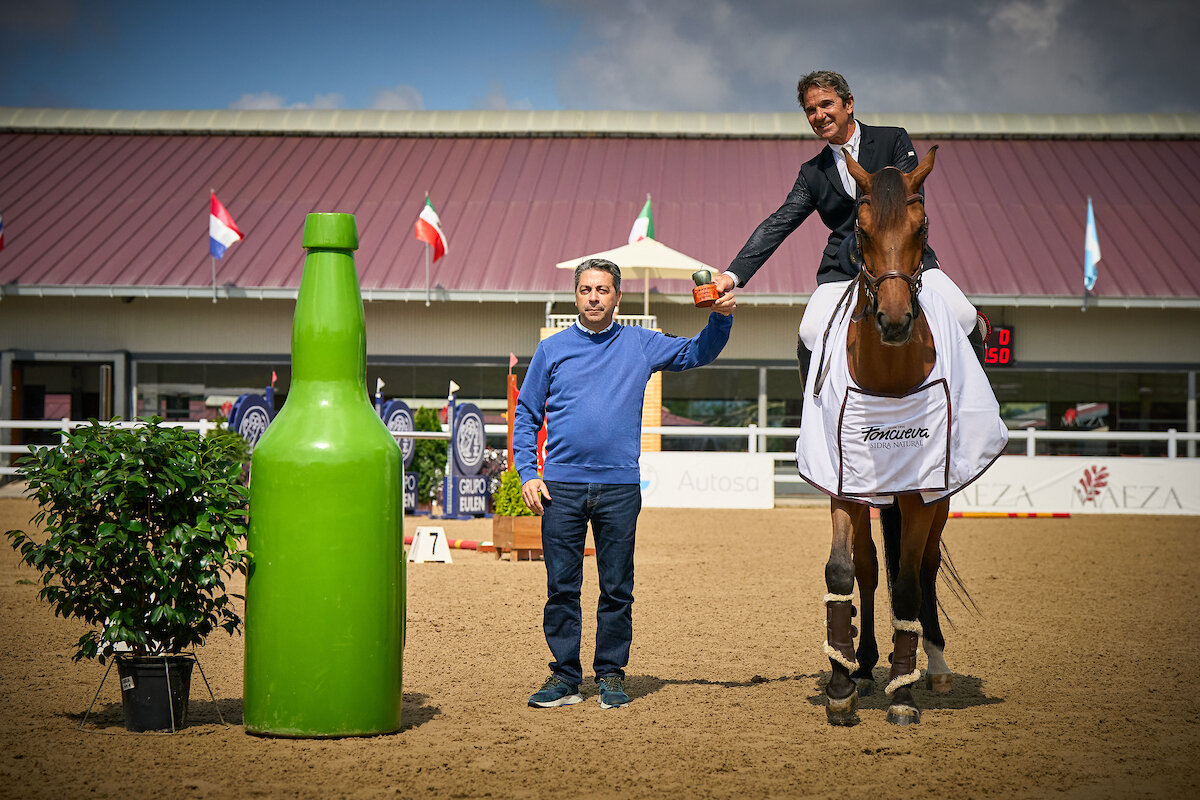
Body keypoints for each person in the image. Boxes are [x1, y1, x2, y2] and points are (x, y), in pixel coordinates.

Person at [514, 257, 736, 709]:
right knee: (562, 587)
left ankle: (611, 675)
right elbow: (526, 413)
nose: (593, 297)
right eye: (585, 290)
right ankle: (564, 677)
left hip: (619, 488)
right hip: (561, 487)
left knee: (617, 588)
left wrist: (721, 317)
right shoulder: (551, 351)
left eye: (602, 290)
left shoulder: (641, 344)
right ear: (576, 296)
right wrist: (527, 472)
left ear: (618, 297)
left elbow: (698, 352)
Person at [713, 69, 982, 368]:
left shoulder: (892, 140)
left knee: (965, 315)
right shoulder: (812, 172)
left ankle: (974, 408)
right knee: (811, 332)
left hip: (903, 262)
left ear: (849, 103)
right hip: (843, 267)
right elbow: (780, 222)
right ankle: (814, 412)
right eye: (810, 110)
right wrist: (732, 275)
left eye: (826, 104)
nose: (819, 115)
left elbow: (909, 204)